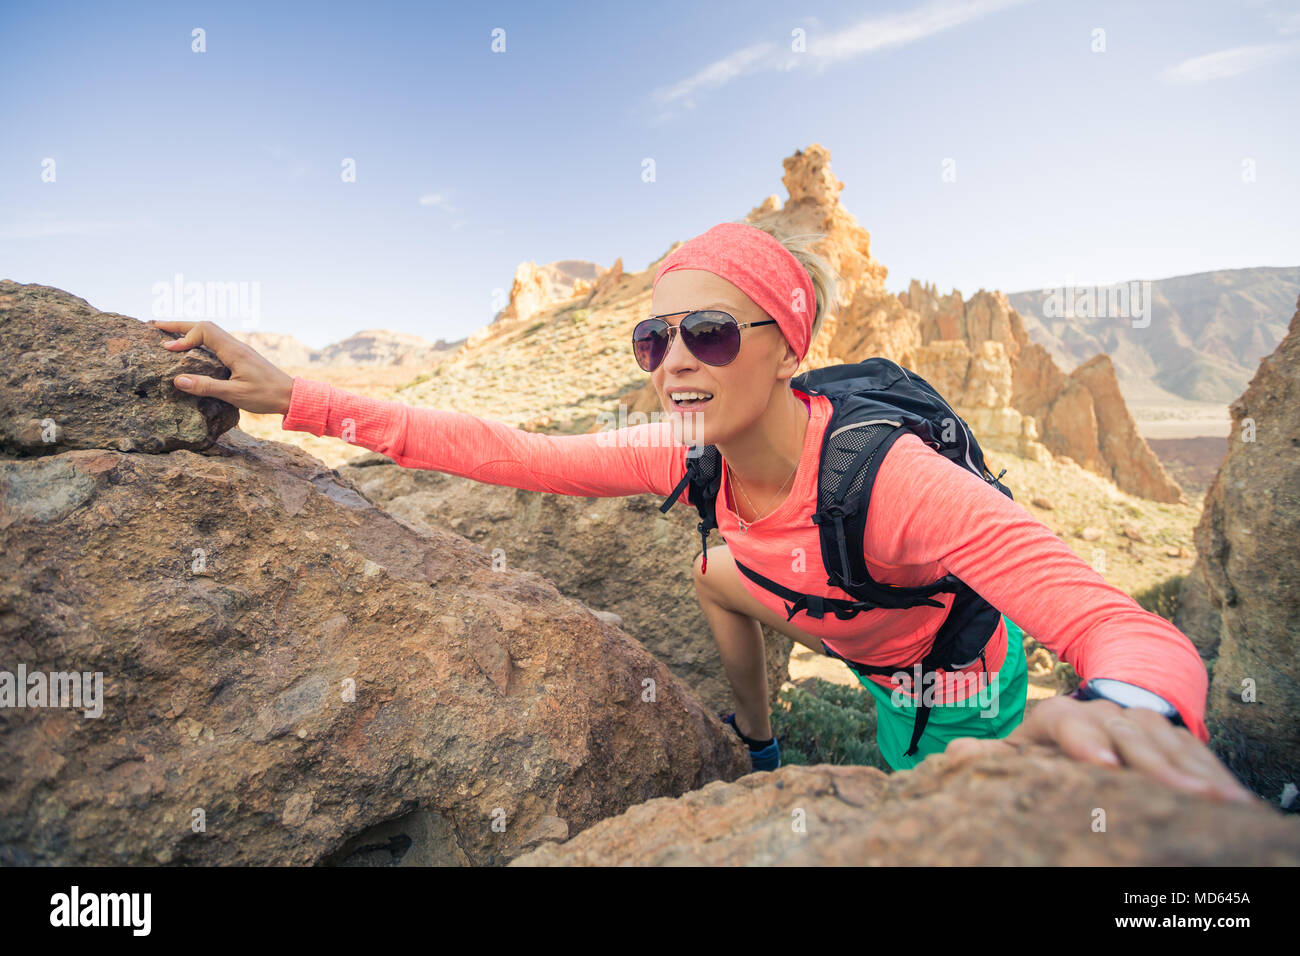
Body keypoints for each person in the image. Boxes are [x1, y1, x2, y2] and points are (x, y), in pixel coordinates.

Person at [149, 220, 1255, 805]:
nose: (676, 360)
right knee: (718, 569)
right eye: (654, 338)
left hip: (943, 672)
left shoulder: (888, 475)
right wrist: (295, 398)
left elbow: (1126, 629)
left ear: (786, 348)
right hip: (837, 620)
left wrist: (1134, 714)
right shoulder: (686, 449)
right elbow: (510, 450)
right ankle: (763, 741)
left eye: (712, 334)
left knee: (940, 797)